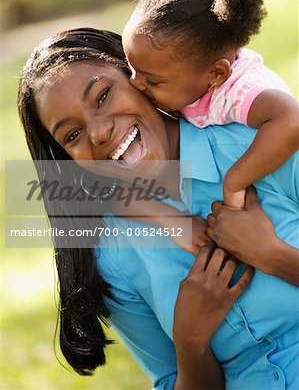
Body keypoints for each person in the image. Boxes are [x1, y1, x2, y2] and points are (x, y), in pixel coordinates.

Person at [18, 28, 299, 389]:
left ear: (139, 77)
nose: (99, 133)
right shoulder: (111, 254)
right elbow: (171, 381)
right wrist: (189, 341)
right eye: (72, 135)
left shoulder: (257, 142)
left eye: (103, 96)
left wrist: (273, 256)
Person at [122, 0, 299, 211]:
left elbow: (291, 119)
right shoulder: (190, 79)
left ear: (216, 74)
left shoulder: (238, 92)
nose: (135, 82)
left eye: (152, 80)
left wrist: (235, 181)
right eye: (132, 68)